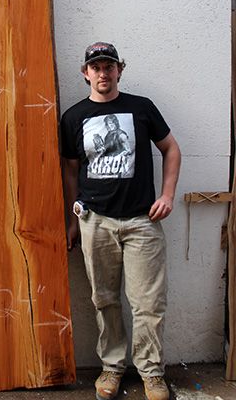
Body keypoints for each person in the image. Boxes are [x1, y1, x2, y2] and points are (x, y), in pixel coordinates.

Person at [60, 42, 181, 400]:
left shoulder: (140, 108)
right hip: (95, 221)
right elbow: (69, 171)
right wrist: (72, 218)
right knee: (104, 299)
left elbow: (171, 148)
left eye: (109, 66)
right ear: (85, 73)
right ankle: (112, 367)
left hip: (142, 221)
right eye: (95, 67)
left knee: (148, 303)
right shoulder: (73, 117)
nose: (103, 73)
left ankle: (152, 372)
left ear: (119, 70)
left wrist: (168, 195)